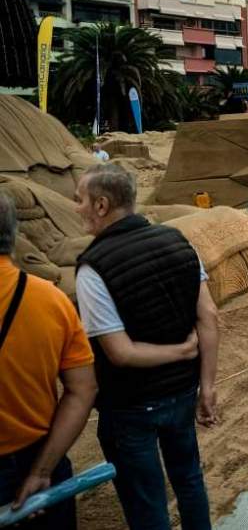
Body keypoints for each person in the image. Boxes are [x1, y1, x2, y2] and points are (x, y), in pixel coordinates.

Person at [73, 163, 218, 530]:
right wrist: (208, 385)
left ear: (102, 205)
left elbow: (120, 352)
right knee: (189, 481)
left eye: (80, 200)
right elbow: (209, 316)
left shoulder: (92, 268)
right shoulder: (178, 241)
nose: (76, 208)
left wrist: (180, 352)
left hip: (130, 406)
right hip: (183, 392)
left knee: (146, 500)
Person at [0, 193, 98, 530]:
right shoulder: (51, 299)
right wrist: (42, 471)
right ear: (14, 235)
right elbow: (83, 390)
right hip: (40, 459)